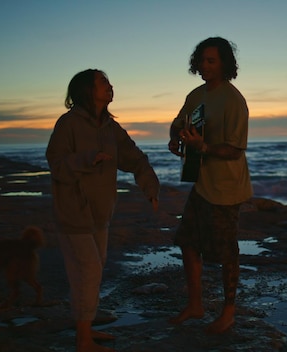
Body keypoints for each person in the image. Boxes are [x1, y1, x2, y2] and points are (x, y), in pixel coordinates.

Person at [46, 69, 159, 352]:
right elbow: (56, 164)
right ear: (86, 90)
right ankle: (83, 340)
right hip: (74, 213)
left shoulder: (110, 127)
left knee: (91, 270)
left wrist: (150, 185)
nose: (110, 86)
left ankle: (85, 330)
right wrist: (88, 159)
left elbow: (133, 156)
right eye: (103, 82)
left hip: (101, 213)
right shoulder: (68, 124)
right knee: (88, 271)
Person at [167, 37, 253, 334]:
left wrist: (203, 147)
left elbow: (235, 150)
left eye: (211, 61)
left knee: (226, 252)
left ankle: (228, 313)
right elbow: (178, 122)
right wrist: (175, 137)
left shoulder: (234, 100)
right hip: (201, 183)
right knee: (187, 242)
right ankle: (195, 305)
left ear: (225, 64)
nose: (204, 65)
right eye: (202, 60)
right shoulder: (196, 95)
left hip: (227, 189)